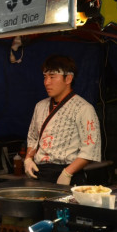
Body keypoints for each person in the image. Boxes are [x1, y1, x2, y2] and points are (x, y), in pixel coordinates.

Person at [24, 55, 101, 185]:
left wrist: (67, 173)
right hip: (40, 173)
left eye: (52, 77)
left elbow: (90, 150)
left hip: (68, 173)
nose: (46, 82)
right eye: (45, 77)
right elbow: (33, 137)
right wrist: (28, 158)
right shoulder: (40, 106)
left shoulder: (84, 108)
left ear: (68, 78)